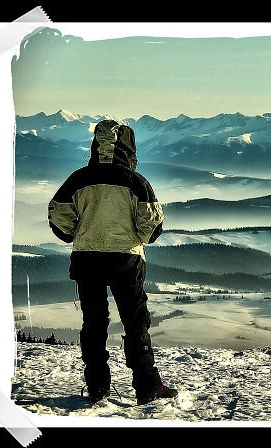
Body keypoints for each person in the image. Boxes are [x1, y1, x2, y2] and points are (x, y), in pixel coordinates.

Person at [47, 118, 178, 405]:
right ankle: (147, 387)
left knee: (93, 323)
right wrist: (133, 236)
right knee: (135, 323)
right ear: (129, 148)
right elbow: (151, 226)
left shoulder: (78, 178)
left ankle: (97, 388)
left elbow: (59, 216)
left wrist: (75, 233)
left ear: (95, 144)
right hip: (126, 259)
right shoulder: (137, 182)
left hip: (87, 259)